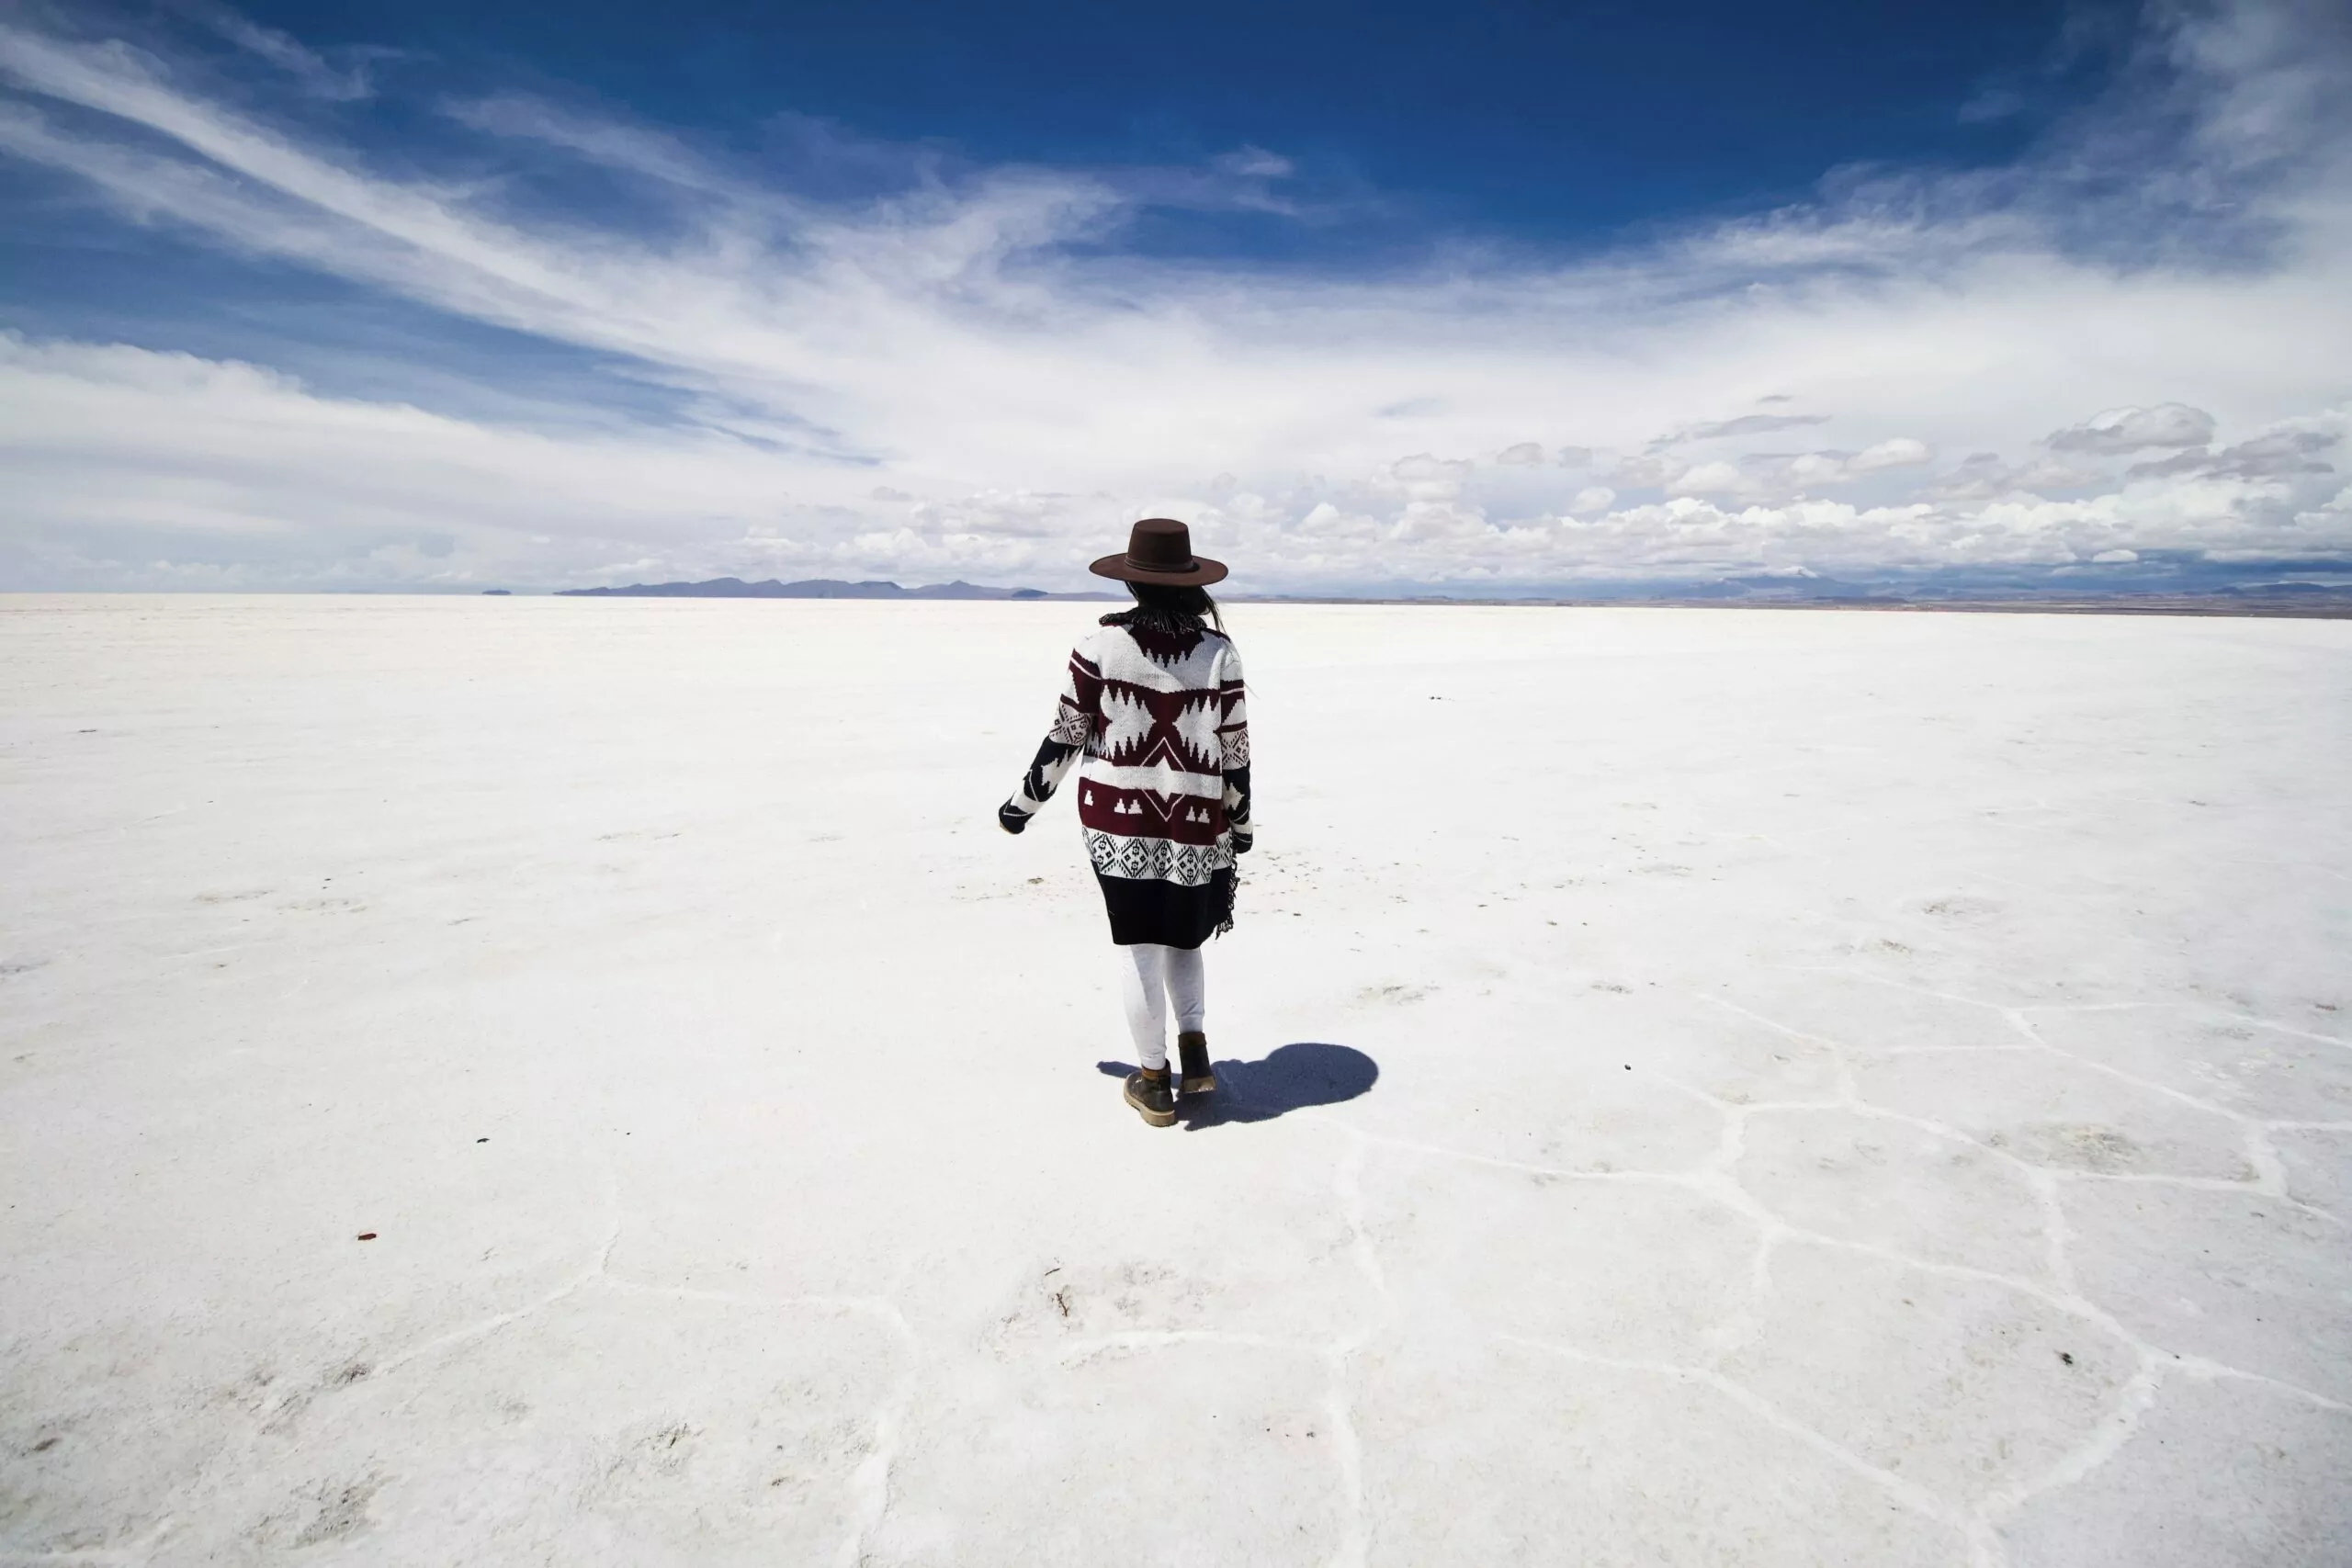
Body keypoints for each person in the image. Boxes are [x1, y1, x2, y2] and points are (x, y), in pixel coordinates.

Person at [998, 518, 1252, 1127]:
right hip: (1195, 822)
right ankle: (1195, 1058)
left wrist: (1022, 805)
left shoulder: (1099, 645)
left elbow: (1066, 734)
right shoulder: (1219, 652)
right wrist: (1240, 826)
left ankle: (1151, 1079)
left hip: (1119, 825)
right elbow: (1235, 751)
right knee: (1184, 939)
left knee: (1139, 947)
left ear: (1133, 582)